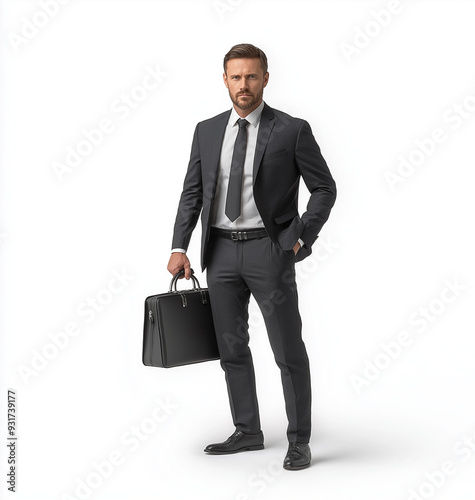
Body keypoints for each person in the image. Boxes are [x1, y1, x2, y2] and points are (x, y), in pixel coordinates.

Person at [167, 43, 336, 470]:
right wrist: (179, 246)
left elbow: (324, 188)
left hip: (269, 249)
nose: (244, 85)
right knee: (231, 349)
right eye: (236, 77)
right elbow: (192, 193)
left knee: (287, 349)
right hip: (219, 252)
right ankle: (248, 431)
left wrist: (299, 236)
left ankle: (299, 440)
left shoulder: (291, 130)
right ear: (225, 80)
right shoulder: (206, 130)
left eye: (252, 76)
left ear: (265, 78)